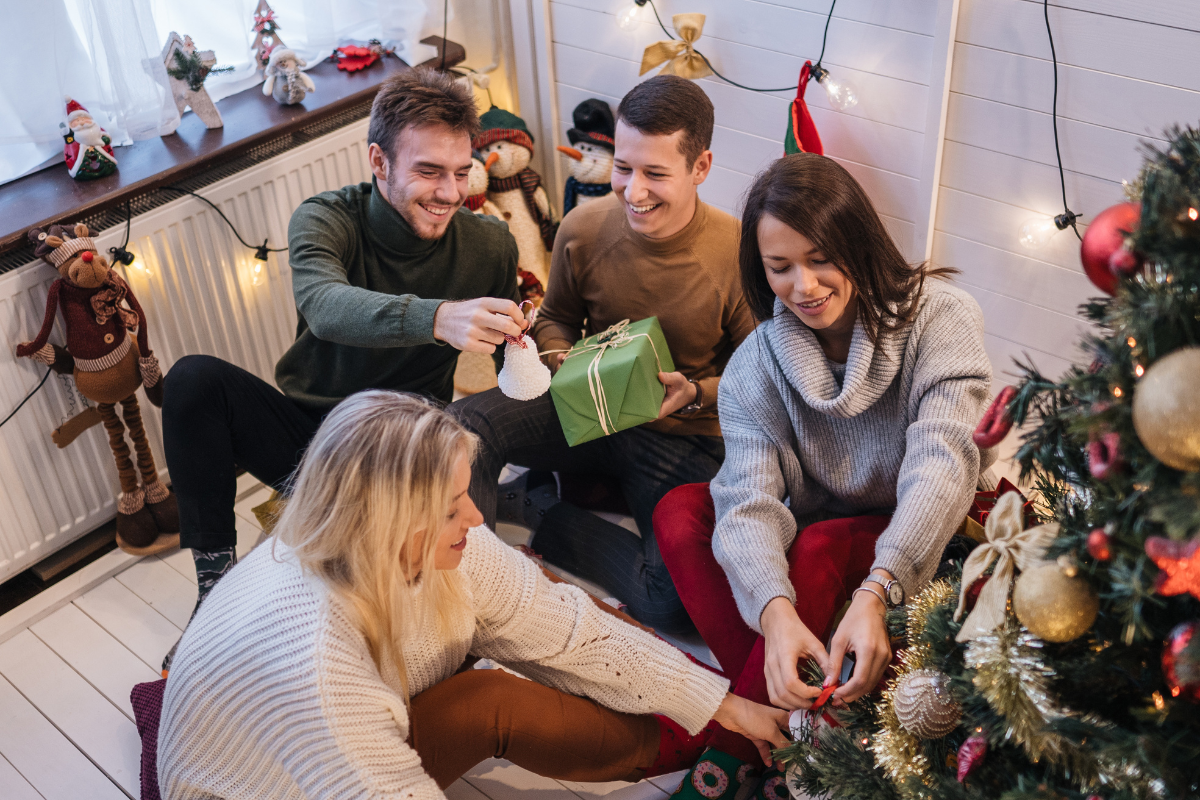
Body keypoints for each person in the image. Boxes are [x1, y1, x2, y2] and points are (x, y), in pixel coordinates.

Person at [157, 391, 789, 799]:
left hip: (331, 731)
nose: (478, 518)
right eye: (453, 505)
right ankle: (693, 749)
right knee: (490, 698)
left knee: (547, 601)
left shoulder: (413, 546)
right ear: (387, 519)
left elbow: (565, 630)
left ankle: (706, 734)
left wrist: (722, 704)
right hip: (268, 784)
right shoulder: (320, 666)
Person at [159, 68, 524, 672]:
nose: (449, 192)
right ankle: (212, 590)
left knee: (435, 620)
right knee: (193, 379)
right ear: (379, 161)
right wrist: (439, 318)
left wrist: (545, 352)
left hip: (407, 453)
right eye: (428, 171)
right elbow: (325, 308)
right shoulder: (326, 220)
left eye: (461, 172)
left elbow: (518, 358)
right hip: (312, 441)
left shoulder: (489, 246)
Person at [654, 153, 995, 799]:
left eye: (820, 259)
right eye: (779, 268)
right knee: (681, 510)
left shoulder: (940, 316)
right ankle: (790, 728)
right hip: (820, 514)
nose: (803, 285)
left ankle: (725, 761)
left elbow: (942, 461)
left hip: (921, 527)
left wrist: (879, 590)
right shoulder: (759, 362)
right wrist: (776, 614)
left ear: (858, 245)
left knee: (817, 544)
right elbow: (748, 497)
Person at [451, 75, 754, 634]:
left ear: (701, 167)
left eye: (655, 174)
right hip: (584, 405)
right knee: (463, 425)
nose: (633, 191)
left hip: (680, 437)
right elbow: (560, 317)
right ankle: (472, 594)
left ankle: (539, 510)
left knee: (673, 607)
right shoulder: (583, 227)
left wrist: (692, 395)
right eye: (623, 167)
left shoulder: (738, 253)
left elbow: (757, 378)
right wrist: (557, 353)